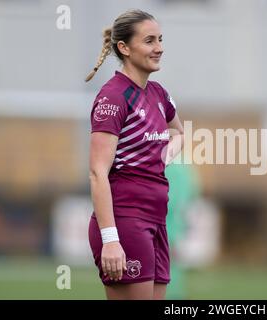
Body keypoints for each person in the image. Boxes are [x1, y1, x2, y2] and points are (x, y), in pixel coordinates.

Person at [85, 9, 184, 300]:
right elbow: (97, 172)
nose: (159, 48)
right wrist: (110, 240)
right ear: (124, 48)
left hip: (157, 221)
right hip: (126, 221)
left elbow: (179, 133)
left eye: (161, 39)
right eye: (150, 41)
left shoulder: (158, 94)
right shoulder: (113, 96)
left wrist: (158, 157)